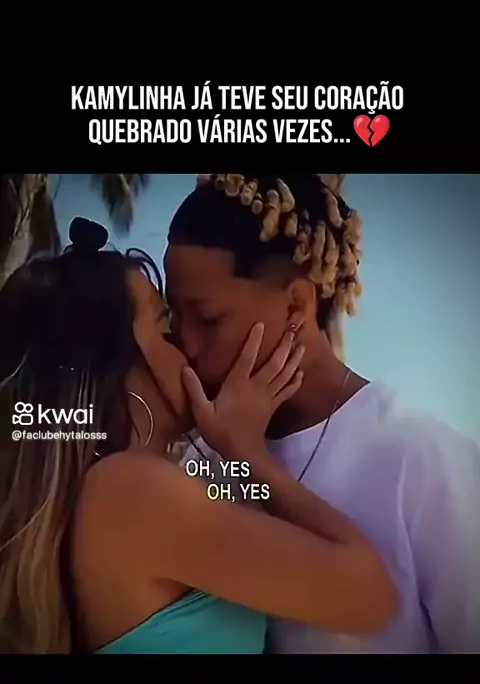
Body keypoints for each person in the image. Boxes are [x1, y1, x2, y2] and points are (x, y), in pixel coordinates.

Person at [0, 216, 396, 655]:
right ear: (119, 363)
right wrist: (245, 452)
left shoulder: (109, 493)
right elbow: (370, 596)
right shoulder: (130, 490)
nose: (188, 347)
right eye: (166, 326)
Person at [165, 172, 480, 654]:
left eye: (208, 319)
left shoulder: (424, 462)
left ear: (297, 304)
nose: (186, 344)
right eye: (174, 317)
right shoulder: (197, 462)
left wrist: (247, 456)